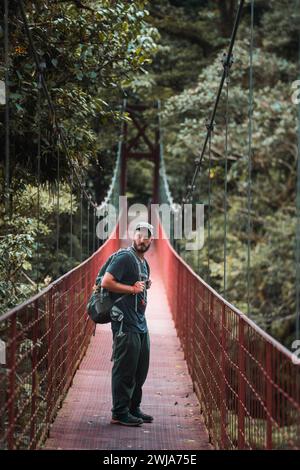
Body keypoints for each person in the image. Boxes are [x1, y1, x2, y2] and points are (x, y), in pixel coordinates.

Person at [101, 221, 154, 427]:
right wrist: (132, 289)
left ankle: (133, 407)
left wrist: (144, 285)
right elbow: (107, 282)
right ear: (134, 236)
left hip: (140, 320)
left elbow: (139, 285)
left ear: (151, 240)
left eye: (146, 236)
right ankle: (120, 412)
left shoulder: (144, 263)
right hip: (124, 321)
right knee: (124, 367)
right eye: (139, 235)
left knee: (140, 367)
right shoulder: (125, 257)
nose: (142, 239)